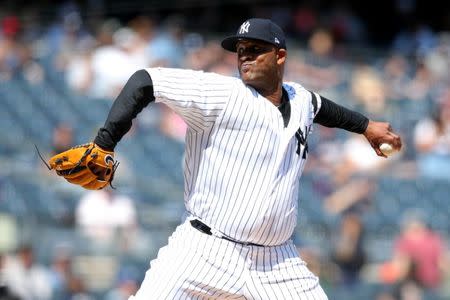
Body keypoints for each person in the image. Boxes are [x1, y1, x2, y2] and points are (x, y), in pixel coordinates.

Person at [56, 18, 402, 299]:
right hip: (204, 249)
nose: (245, 57)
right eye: (240, 51)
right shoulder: (222, 93)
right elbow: (146, 81)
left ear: (280, 56)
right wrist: (104, 143)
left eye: (255, 50)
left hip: (277, 261)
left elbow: (323, 108)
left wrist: (366, 126)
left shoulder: (299, 98)